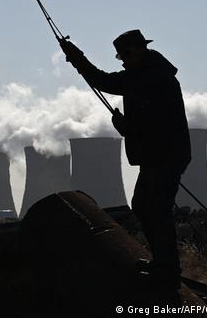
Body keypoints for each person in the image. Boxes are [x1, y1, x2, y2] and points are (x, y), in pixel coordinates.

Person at [60, 29, 191, 289]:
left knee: (156, 210)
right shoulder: (139, 75)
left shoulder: (158, 78)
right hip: (157, 156)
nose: (122, 60)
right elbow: (103, 80)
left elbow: (152, 120)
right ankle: (162, 264)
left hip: (166, 155)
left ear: (140, 50)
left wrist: (125, 125)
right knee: (143, 206)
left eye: (125, 54)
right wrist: (76, 56)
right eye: (119, 55)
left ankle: (167, 270)